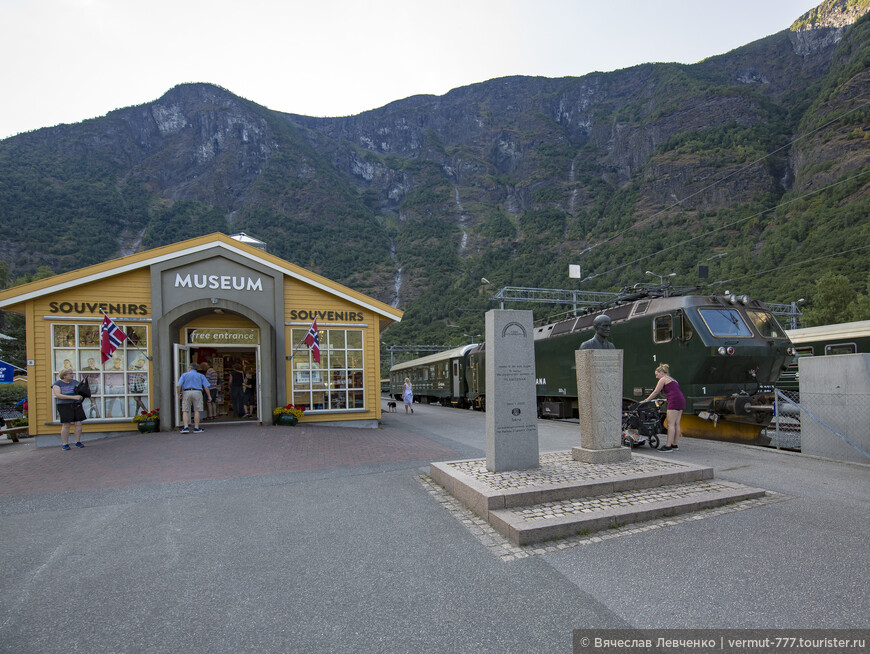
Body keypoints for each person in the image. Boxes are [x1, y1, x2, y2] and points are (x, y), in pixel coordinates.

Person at [643, 363, 686, 452]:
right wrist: (666, 399)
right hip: (681, 400)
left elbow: (655, 392)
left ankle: (668, 446)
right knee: (677, 423)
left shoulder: (663, 379)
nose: (657, 377)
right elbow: (674, 392)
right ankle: (675, 444)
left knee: (670, 424)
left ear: (662, 372)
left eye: (657, 374)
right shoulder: (673, 380)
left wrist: (646, 400)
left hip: (674, 401)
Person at [52, 368, 86, 450]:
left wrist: (84, 386)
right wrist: (73, 397)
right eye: (70, 373)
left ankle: (78, 442)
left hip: (76, 405)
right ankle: (65, 444)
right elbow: (58, 395)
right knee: (66, 424)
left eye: (72, 373)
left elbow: (81, 391)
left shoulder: (75, 382)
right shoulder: (57, 384)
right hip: (63, 405)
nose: (72, 375)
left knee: (78, 423)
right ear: (64, 375)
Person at [176, 362, 211, 434]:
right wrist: (209, 396)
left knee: (185, 410)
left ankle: (185, 427)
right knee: (197, 410)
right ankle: (196, 428)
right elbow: (206, 386)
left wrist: (178, 394)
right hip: (197, 392)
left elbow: (178, 386)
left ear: (190, 368)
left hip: (187, 392)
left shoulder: (184, 375)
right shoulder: (200, 375)